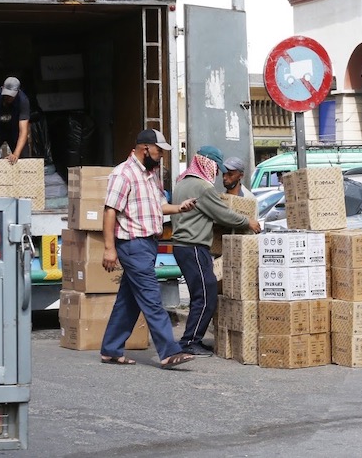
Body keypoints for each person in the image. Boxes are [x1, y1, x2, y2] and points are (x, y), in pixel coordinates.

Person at [100, 129, 198, 369]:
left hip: (149, 244)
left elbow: (160, 206)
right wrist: (109, 249)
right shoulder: (123, 174)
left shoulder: (152, 175)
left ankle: (111, 349)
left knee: (129, 300)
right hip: (133, 244)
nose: (161, 156)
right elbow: (109, 210)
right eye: (159, 151)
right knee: (152, 297)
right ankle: (169, 351)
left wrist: (179, 208)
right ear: (145, 149)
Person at [172, 146, 262, 356]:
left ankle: (193, 338)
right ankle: (189, 342)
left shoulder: (182, 182)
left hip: (185, 247)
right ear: (208, 164)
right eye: (216, 167)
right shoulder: (202, 187)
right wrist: (247, 221)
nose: (217, 173)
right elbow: (223, 215)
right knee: (206, 293)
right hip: (192, 246)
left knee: (201, 293)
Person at [0, 77, 31, 164]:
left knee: (23, 159)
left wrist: (16, 154)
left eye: (11, 95)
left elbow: (23, 130)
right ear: (2, 88)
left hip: (14, 130)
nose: (8, 97)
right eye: (6, 94)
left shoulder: (23, 101)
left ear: (17, 92)